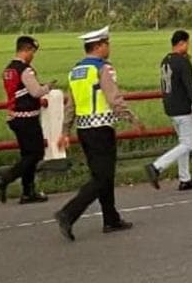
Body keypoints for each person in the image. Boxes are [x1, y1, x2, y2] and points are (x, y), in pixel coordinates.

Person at [54, 27, 144, 241]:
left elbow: (71, 105)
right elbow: (114, 98)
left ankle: (111, 219)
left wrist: (65, 131)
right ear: (98, 46)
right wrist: (132, 118)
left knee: (103, 175)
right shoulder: (102, 69)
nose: (108, 48)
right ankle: (68, 213)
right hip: (101, 128)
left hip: (84, 130)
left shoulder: (75, 71)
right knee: (102, 177)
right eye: (106, 44)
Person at [145, 30, 192, 191]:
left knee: (183, 142)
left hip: (170, 107)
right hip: (182, 108)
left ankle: (185, 179)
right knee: (188, 144)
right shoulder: (183, 62)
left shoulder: (166, 61)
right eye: (187, 43)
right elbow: (190, 87)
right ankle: (156, 166)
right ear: (181, 43)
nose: (188, 46)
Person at [0, 36, 51, 204]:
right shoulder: (25, 70)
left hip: (14, 116)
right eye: (33, 52)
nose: (33, 56)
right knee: (36, 153)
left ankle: (28, 191)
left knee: (27, 154)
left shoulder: (9, 69)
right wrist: (48, 87)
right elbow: (36, 92)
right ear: (27, 50)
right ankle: (5, 179)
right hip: (27, 117)